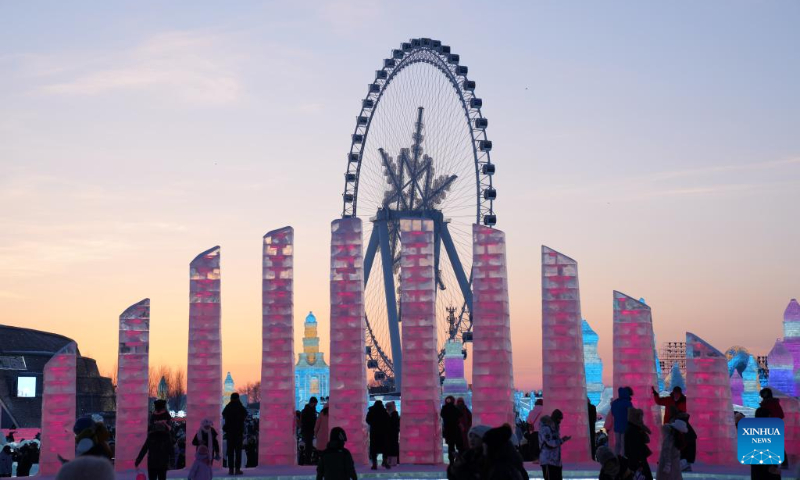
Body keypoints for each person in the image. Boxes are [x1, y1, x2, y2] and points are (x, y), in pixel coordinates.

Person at [539, 409, 571, 480]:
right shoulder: (546, 428)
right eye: (559, 419)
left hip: (555, 461)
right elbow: (550, 443)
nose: (560, 421)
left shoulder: (554, 428)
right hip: (548, 461)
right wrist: (562, 440)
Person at [222, 392, 248, 475]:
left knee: (230, 452)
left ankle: (230, 470)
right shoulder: (240, 407)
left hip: (230, 432)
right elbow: (245, 414)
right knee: (238, 452)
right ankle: (237, 469)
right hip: (238, 432)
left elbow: (223, 414)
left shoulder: (228, 407)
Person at [623, 408, 653, 480]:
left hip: (637, 460)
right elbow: (634, 448)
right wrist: (638, 463)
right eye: (639, 417)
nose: (641, 419)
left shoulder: (633, 428)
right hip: (637, 461)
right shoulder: (634, 430)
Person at [366, 400, 390, 470]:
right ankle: (385, 462)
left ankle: (374, 464)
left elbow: (367, 420)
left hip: (374, 432)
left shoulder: (371, 411)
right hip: (383, 432)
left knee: (374, 448)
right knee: (384, 447)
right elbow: (388, 421)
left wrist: (373, 424)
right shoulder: (384, 411)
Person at [609, 387, 632, 456]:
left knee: (617, 443)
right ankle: (624, 458)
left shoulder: (615, 403)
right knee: (624, 444)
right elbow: (631, 414)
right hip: (626, 426)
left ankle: (616, 457)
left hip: (617, 426)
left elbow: (613, 413)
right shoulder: (628, 403)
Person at [440, 395, 463, 465]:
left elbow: (442, 415)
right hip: (455, 429)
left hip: (448, 430)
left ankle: (452, 461)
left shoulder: (444, 409)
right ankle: (458, 459)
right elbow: (460, 415)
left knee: (451, 446)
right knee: (459, 446)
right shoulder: (454, 408)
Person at [301, 397, 319, 465]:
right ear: (313, 403)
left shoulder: (306, 410)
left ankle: (308, 460)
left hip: (307, 430)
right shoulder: (309, 411)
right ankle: (307, 461)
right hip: (308, 431)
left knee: (309, 446)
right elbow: (310, 421)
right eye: (315, 404)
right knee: (309, 447)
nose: (316, 405)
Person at [385, 401, 400, 467]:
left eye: (387, 407)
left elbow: (391, 424)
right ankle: (392, 461)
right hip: (393, 434)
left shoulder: (393, 415)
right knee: (392, 447)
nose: (386, 408)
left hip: (392, 434)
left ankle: (393, 461)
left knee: (392, 447)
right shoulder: (394, 414)